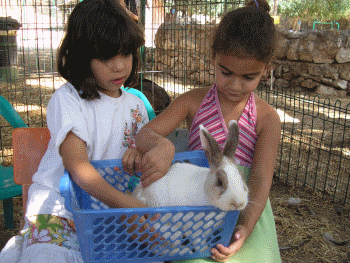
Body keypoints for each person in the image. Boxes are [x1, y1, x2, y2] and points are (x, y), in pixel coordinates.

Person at [0, 0, 153, 262]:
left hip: (110, 210)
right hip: (62, 207)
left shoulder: (136, 104)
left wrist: (161, 147)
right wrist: (129, 206)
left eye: (125, 54)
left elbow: (147, 146)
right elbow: (78, 168)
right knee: (49, 257)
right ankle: (27, 246)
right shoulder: (69, 99)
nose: (119, 67)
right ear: (83, 57)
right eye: (106, 57)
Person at [134, 0, 282, 262]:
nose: (235, 85)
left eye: (249, 77)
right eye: (225, 72)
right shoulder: (191, 101)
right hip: (196, 209)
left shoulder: (268, 118)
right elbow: (145, 134)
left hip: (243, 210)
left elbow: (260, 177)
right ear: (213, 57)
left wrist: (244, 228)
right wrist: (164, 145)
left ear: (266, 69)